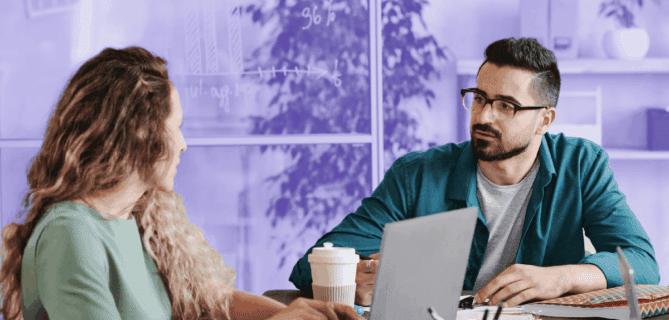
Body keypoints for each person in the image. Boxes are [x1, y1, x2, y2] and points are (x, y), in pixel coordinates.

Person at [289, 37, 660, 308]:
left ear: (544, 119)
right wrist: (357, 274)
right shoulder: (418, 173)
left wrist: (559, 278)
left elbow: (641, 262)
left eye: (506, 106)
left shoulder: (581, 164)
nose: (483, 116)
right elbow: (313, 262)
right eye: (479, 98)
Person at [0, 47, 361, 320]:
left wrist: (293, 312)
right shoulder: (72, 235)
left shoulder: (141, 216)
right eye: (177, 126)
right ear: (142, 133)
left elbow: (209, 295)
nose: (183, 144)